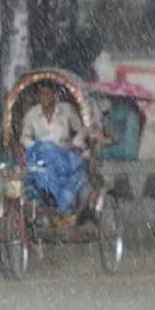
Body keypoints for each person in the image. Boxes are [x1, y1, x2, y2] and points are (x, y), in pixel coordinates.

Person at [21, 82, 91, 224]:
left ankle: (63, 208)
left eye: (47, 94)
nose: (44, 98)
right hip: (41, 158)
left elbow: (82, 130)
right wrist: (39, 147)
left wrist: (75, 143)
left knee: (77, 174)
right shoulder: (32, 114)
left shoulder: (67, 111)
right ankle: (48, 208)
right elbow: (24, 137)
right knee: (37, 172)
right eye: (41, 94)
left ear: (55, 95)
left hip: (64, 156)